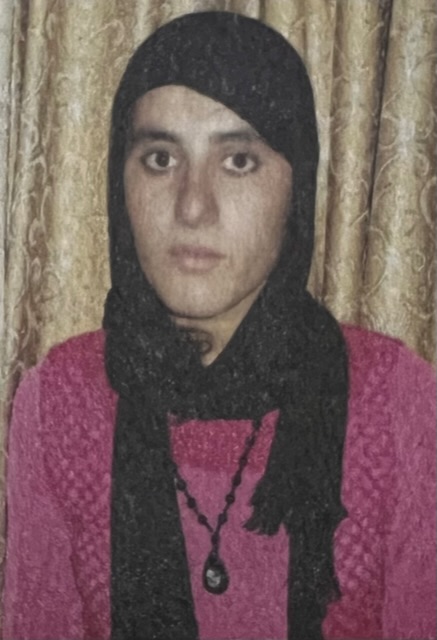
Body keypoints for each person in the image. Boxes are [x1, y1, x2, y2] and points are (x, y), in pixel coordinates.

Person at [2, 11, 436, 640]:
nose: (192, 206)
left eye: (237, 161)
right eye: (160, 158)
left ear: (297, 188)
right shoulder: (59, 402)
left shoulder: (399, 404)